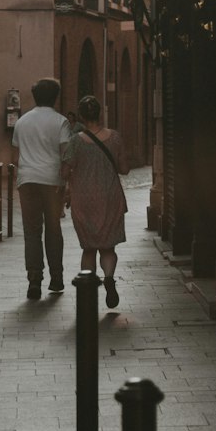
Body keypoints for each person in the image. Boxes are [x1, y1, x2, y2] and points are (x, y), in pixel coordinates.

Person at [10, 77, 71, 300]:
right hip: (52, 181)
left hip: (27, 181)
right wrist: (66, 184)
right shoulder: (61, 122)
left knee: (31, 232)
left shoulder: (22, 122)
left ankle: (34, 280)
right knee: (54, 229)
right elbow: (66, 155)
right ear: (55, 97)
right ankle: (56, 278)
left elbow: (15, 156)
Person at [65, 94, 129, 309]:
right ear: (99, 113)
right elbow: (124, 168)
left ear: (82, 117)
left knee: (89, 247)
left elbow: (65, 170)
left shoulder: (75, 142)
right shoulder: (115, 137)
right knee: (108, 246)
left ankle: (88, 291)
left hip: (83, 199)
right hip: (110, 196)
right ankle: (109, 278)